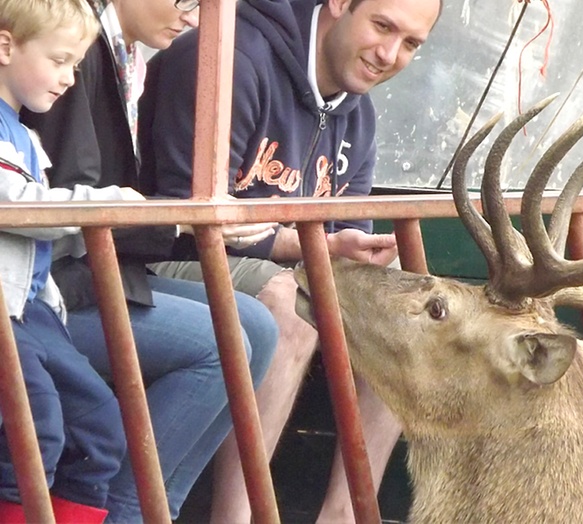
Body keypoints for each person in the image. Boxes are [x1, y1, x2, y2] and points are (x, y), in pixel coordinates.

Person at [139, 0, 442, 521]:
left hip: (273, 267)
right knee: (289, 303)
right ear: (340, 5)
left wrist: (354, 255)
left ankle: (345, 515)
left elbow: (345, 241)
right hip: (157, 268)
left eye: (411, 44)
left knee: (409, 311)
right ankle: (238, 516)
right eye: (382, 26)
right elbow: (183, 223)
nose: (389, 54)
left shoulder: (358, 113)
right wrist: (315, 247)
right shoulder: (228, 57)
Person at [20, 0, 281, 522]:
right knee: (215, 345)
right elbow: (71, 197)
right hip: (48, 289)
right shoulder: (76, 47)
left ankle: (158, 507)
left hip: (95, 269)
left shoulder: (119, 52)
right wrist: (183, 220)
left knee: (258, 326)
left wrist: (194, 220)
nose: (195, 12)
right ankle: (123, 512)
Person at [0, 0, 132, 521]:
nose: (69, 79)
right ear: (5, 46)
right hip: (5, 314)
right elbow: (15, 202)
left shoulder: (26, 136)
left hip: (33, 310)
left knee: (98, 428)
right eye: (59, 61)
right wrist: (105, 204)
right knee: (33, 429)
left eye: (75, 65)